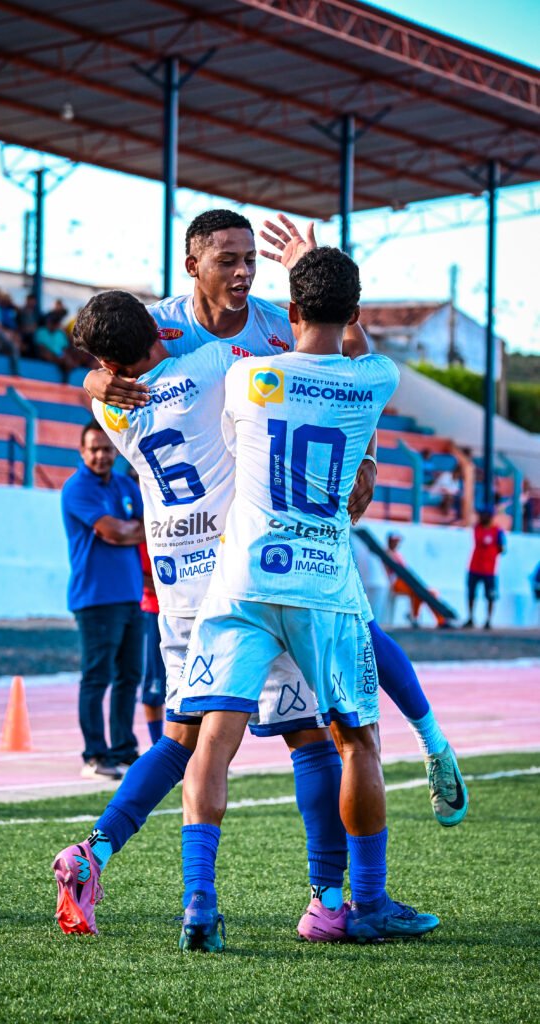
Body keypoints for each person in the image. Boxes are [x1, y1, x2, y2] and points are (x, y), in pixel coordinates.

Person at [83, 209, 467, 828]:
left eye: (249, 259)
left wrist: (366, 457)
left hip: (282, 527)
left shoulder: (271, 324)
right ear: (192, 267)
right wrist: (96, 381)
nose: (242, 272)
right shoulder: (162, 325)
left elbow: (347, 360)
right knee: (240, 731)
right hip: (218, 562)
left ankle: (423, 758)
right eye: (227, 260)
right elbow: (115, 360)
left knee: (292, 725)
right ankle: (333, 893)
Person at [53, 290, 348, 943]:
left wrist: (96, 376)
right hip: (241, 579)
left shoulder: (109, 406)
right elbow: (294, 366)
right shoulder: (215, 363)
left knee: (180, 739)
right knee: (309, 737)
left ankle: (94, 854)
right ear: (158, 333)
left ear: (107, 358)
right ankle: (328, 900)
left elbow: (108, 378)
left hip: (175, 588)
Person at [176, 246, 439, 950]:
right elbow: (358, 353)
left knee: (215, 742)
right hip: (323, 585)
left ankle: (199, 901)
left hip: (244, 578)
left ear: (289, 311)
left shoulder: (248, 375)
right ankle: (369, 904)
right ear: (354, 312)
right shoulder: (373, 378)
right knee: (359, 743)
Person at [61, 422, 146, 780]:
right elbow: (114, 531)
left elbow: (149, 525)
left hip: (130, 595)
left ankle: (124, 750)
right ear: (82, 453)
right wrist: (132, 530)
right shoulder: (77, 487)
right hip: (95, 598)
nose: (100, 455)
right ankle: (95, 755)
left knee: (129, 676)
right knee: (97, 678)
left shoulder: (126, 485)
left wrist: (131, 530)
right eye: (93, 449)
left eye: (106, 448)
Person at [384, 532, 448, 628]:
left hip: (405, 581)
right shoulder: (388, 553)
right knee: (418, 592)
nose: (397, 543)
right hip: (397, 582)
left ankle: (429, 618)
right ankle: (415, 616)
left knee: (424, 593)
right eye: (395, 541)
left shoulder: (397, 554)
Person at [139, 542, 165, 745]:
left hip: (190, 611)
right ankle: (159, 747)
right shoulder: (141, 530)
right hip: (154, 611)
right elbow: (136, 575)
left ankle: (201, 755)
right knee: (154, 686)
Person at [463, 508, 506, 629]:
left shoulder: (497, 531)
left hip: (489, 570)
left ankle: (488, 620)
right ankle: (471, 618)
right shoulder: (478, 528)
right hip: (475, 567)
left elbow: (502, 548)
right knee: (471, 594)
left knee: (490, 595)